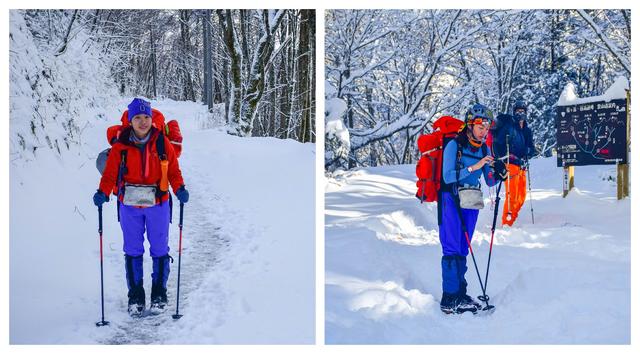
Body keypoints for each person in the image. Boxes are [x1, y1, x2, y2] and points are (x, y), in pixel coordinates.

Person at [93, 98, 190, 317]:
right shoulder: (121, 146)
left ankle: (159, 294)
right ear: (130, 120)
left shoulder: (162, 142)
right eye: (138, 117)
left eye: (146, 117)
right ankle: (135, 296)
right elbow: (110, 174)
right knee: (133, 249)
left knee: (159, 248)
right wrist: (103, 192)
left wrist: (180, 188)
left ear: (151, 119)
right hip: (129, 206)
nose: (143, 121)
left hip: (159, 203)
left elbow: (173, 170)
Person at [438, 103, 507, 314]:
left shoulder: (485, 149)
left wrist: (500, 173)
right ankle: (449, 299)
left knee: (463, 247)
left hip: (472, 200)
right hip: (451, 198)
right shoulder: (454, 146)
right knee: (451, 247)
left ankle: (461, 293)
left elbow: (489, 180)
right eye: (480, 125)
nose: (484, 130)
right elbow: (447, 176)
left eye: (487, 126)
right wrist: (474, 167)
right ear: (470, 124)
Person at [491, 99, 536, 226]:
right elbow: (498, 142)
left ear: (526, 113)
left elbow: (532, 148)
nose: (520, 113)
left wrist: (529, 151)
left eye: (522, 111)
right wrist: (502, 157)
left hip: (522, 166)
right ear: (514, 112)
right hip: (510, 164)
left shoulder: (527, 130)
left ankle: (511, 221)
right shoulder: (509, 126)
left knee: (521, 197)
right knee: (512, 196)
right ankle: (506, 224)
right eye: (518, 111)